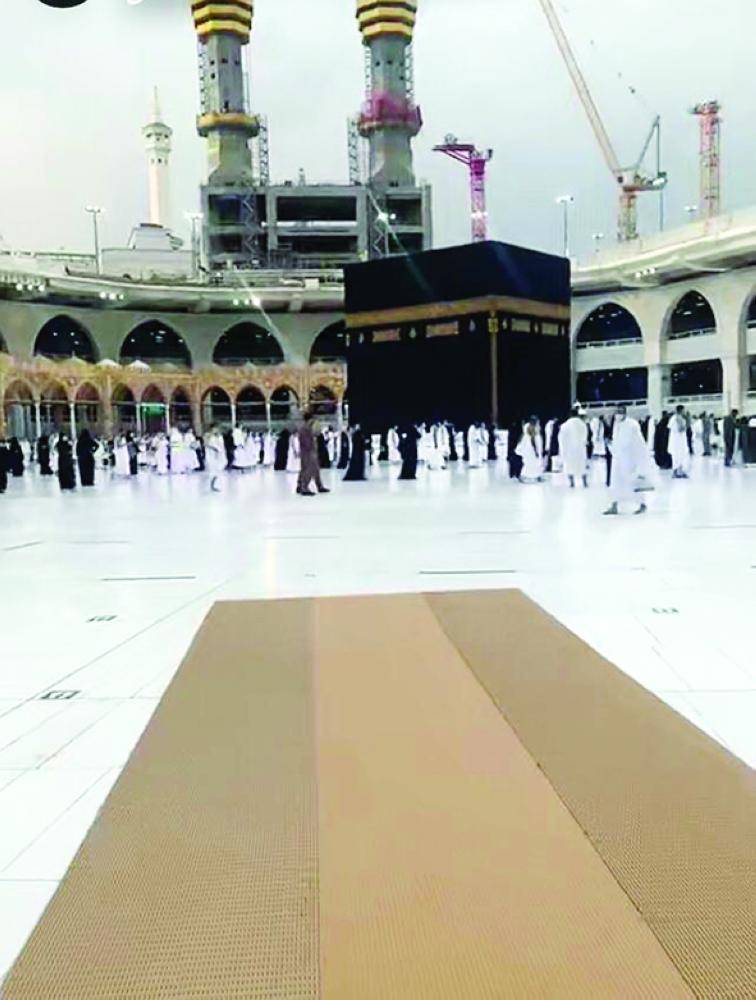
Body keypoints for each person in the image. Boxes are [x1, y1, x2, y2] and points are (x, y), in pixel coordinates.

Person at [603, 406, 647, 515]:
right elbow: (617, 441)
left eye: (620, 412)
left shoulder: (632, 424)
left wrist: (640, 459)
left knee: (632, 482)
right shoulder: (616, 425)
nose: (618, 414)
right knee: (615, 483)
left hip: (629, 459)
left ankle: (642, 504)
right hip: (617, 459)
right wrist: (610, 444)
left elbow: (638, 442)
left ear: (625, 413)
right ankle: (614, 505)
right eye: (617, 412)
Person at [296, 411, 329, 496]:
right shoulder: (305, 429)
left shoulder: (307, 428)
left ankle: (318, 486)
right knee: (308, 470)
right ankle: (304, 487)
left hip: (310, 451)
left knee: (314, 469)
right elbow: (307, 442)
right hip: (308, 452)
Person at [558, 407, 589, 488]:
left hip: (569, 450)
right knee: (582, 466)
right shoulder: (583, 424)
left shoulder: (564, 425)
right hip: (580, 449)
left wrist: (562, 451)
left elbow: (561, 439)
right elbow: (585, 438)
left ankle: (572, 483)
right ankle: (584, 482)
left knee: (569, 467)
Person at [668, 405, 690, 478]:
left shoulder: (673, 418)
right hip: (678, 441)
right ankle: (679, 472)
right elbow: (680, 429)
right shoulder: (678, 418)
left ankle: (676, 472)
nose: (684, 411)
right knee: (679, 456)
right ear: (681, 410)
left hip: (676, 440)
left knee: (676, 457)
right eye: (684, 410)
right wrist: (687, 422)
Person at [205, 426, 226, 492]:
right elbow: (206, 444)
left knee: (218, 470)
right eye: (215, 429)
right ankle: (212, 486)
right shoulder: (208, 435)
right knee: (213, 470)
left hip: (219, 455)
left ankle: (213, 485)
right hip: (211, 455)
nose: (216, 430)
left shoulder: (219, 436)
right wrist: (214, 448)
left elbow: (221, 446)